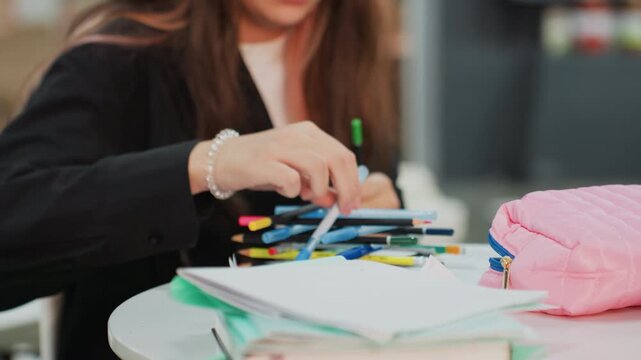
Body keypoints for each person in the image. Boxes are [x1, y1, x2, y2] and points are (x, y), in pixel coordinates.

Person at [0, 0, 401, 358]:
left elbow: (374, 185)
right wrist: (206, 165)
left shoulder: (351, 55)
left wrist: (386, 211)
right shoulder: (119, 58)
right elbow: (12, 220)